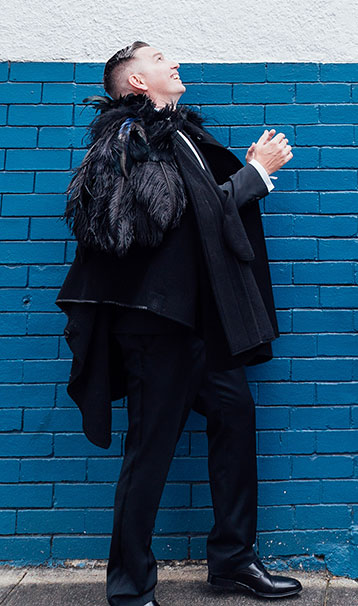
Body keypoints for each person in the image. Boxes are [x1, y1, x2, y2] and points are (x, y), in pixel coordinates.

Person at [57, 42, 302, 606]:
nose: (174, 63)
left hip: (201, 323)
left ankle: (233, 562)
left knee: (236, 422)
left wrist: (244, 175)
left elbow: (195, 211)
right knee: (150, 450)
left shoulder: (182, 134)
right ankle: (130, 589)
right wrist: (254, 176)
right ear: (138, 83)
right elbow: (167, 220)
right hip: (158, 325)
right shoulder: (126, 140)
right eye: (160, 58)